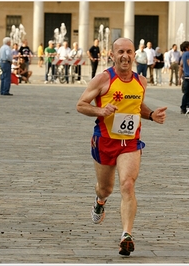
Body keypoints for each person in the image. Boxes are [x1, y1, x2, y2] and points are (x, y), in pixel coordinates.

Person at [76, 37, 167, 256]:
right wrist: (101, 111)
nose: (125, 56)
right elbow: (81, 105)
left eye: (129, 51)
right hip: (105, 140)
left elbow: (137, 107)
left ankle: (126, 235)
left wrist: (152, 115)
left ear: (134, 54)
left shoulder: (141, 81)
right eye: (120, 52)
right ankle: (100, 201)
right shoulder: (102, 79)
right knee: (105, 188)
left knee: (127, 184)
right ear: (112, 55)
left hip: (130, 142)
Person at [179, 41, 189, 114]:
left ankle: (187, 106)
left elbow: (181, 64)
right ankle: (185, 106)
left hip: (186, 75)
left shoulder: (183, 54)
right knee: (188, 92)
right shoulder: (188, 54)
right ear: (187, 48)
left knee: (187, 93)